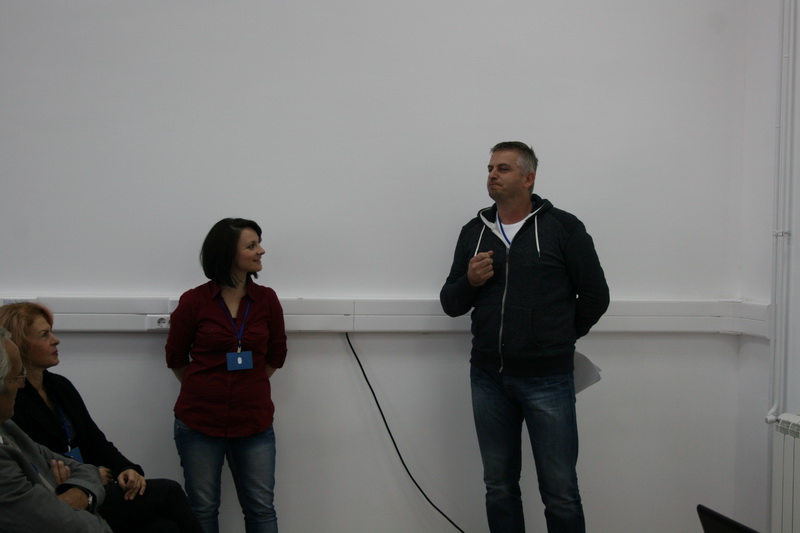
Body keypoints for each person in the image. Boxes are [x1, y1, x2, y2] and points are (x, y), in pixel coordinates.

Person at [440, 141, 610, 533]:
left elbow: (596, 296)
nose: (492, 175)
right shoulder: (474, 232)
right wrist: (469, 281)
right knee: (498, 486)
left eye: (503, 168)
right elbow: (450, 302)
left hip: (547, 379)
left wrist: (555, 340)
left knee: (560, 491)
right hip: (488, 378)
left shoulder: (563, 228)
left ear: (529, 177)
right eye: (489, 169)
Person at [0, 302, 203, 533]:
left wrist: (125, 468)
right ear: (19, 345)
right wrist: (91, 476)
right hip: (60, 496)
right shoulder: (9, 402)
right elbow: (39, 465)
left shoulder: (60, 386)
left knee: (163, 528)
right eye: (44, 335)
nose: (56, 340)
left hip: (87, 480)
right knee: (169, 492)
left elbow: (94, 440)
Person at [166, 217, 288, 533]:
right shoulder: (194, 301)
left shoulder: (267, 299)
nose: (261, 250)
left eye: (259, 243)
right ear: (227, 253)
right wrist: (207, 388)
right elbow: (176, 357)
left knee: (261, 509)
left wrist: (249, 386)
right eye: (252, 245)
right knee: (202, 509)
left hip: (253, 422)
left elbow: (276, 354)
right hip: (199, 423)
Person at [0, 328, 112, 533]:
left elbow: (87, 464)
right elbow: (51, 523)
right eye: (16, 376)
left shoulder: (7, 426)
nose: (21, 384)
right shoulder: (12, 417)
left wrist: (81, 493)